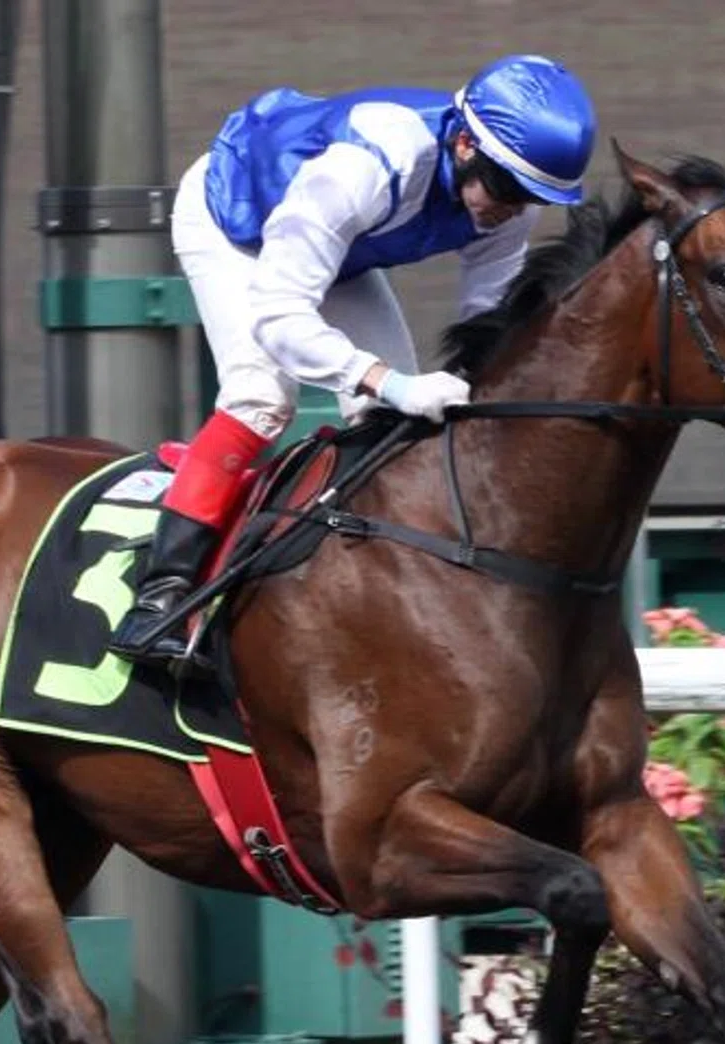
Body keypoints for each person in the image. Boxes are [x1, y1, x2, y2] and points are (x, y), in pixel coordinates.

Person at [106, 53, 600, 668]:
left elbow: (490, 328)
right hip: (233, 222)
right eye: (508, 188)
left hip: (340, 251)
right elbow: (281, 317)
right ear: (467, 143)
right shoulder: (373, 164)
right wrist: (388, 380)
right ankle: (159, 597)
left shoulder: (503, 199)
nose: (513, 209)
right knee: (263, 399)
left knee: (386, 423)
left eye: (533, 197)